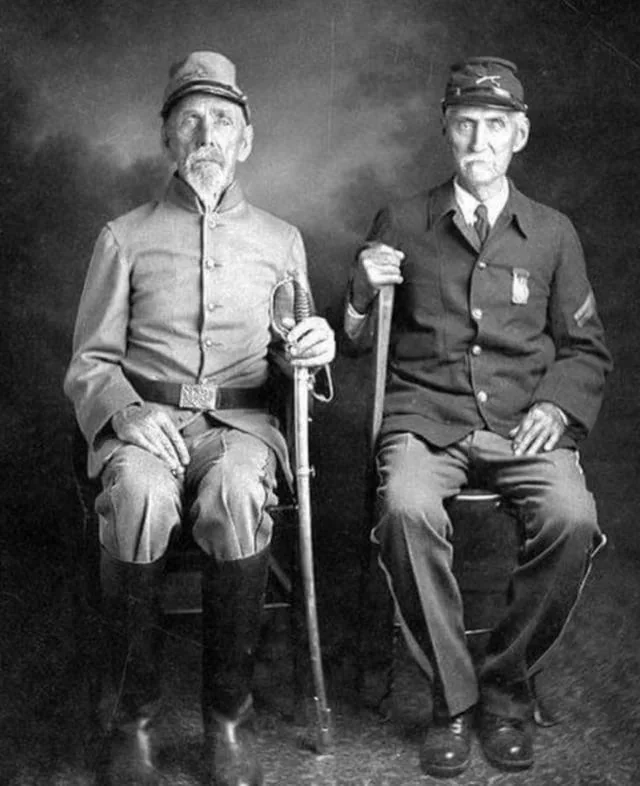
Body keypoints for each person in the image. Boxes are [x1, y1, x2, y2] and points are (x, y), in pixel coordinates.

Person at [64, 51, 335, 786]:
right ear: (168, 139)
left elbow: (291, 352)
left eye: (222, 119)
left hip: (243, 430)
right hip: (147, 423)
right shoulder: (125, 236)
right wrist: (121, 414)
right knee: (138, 497)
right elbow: (89, 360)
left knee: (239, 494)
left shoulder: (282, 241)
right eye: (190, 119)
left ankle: (225, 719)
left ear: (245, 140)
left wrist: (312, 349)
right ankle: (134, 722)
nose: (206, 133)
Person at [344, 57, 611, 777]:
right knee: (403, 508)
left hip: (522, 424)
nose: (479, 139)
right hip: (424, 422)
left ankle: (503, 687)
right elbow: (355, 342)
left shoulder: (553, 233)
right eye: (465, 124)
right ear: (445, 130)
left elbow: (587, 349)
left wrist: (556, 405)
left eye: (496, 126)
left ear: (519, 135)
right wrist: (361, 294)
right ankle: (454, 701)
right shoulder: (401, 219)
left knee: (573, 518)